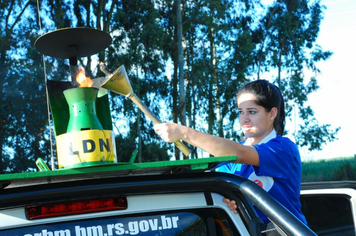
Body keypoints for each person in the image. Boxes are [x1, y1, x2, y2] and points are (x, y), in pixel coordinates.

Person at [154, 79, 307, 226]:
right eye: (241, 112)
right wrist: (229, 203)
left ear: (272, 113)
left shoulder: (283, 149)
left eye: (252, 112)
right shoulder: (227, 163)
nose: (244, 119)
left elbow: (239, 153)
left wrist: (184, 133)